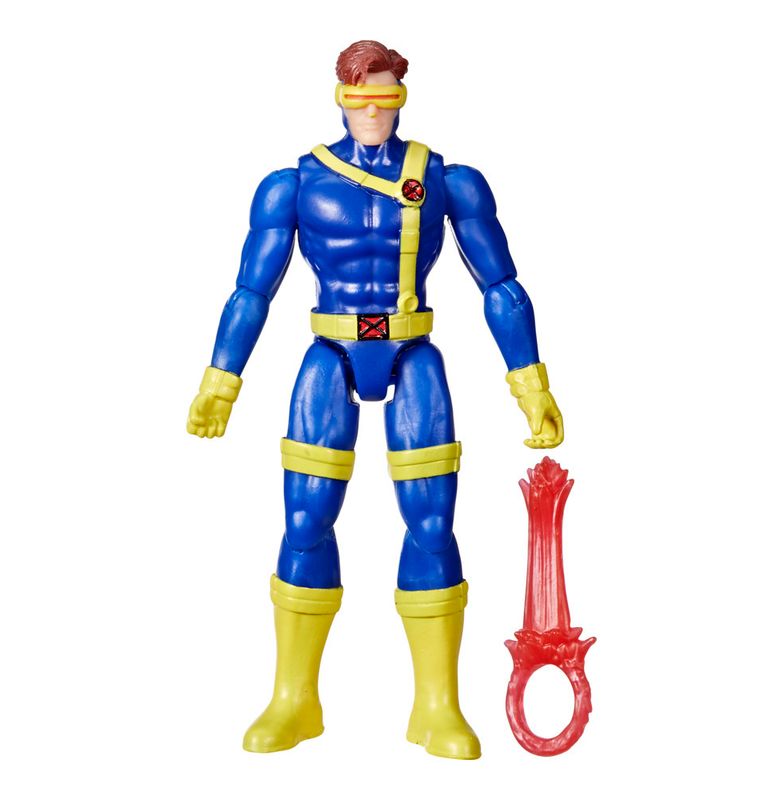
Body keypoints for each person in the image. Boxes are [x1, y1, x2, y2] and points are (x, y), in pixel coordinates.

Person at [187, 40, 563, 760]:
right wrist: (220, 381)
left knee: (432, 524)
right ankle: (294, 699)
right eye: (359, 97)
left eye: (384, 97)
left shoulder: (447, 180)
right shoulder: (294, 184)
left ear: (401, 99)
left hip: (412, 349)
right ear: (339, 97)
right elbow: (250, 292)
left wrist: (532, 387)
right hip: (329, 351)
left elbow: (501, 286)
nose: (371, 111)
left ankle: (437, 706)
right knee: (305, 519)